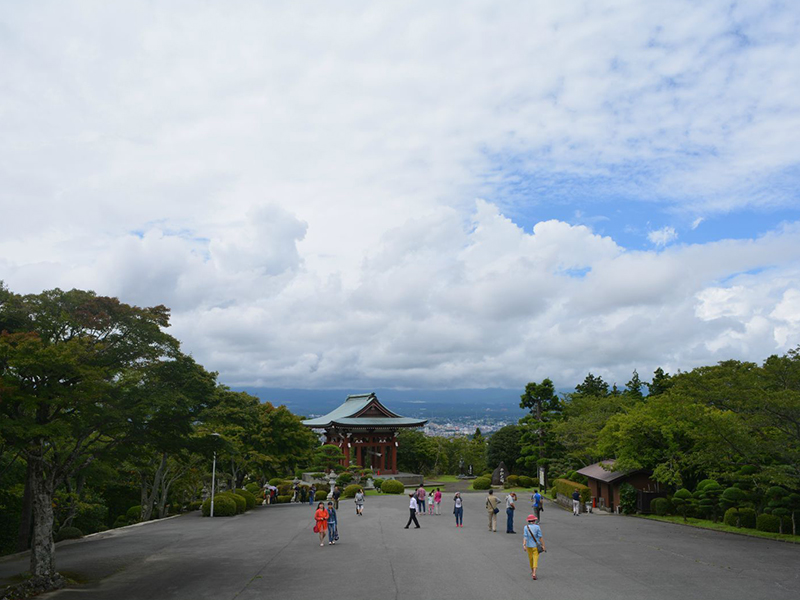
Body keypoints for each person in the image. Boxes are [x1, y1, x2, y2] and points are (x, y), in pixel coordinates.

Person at [522, 514, 545, 580]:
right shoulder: (537, 527)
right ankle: (534, 573)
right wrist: (543, 545)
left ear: (528, 521)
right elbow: (540, 537)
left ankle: (532, 571)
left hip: (529, 545)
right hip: (535, 546)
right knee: (535, 559)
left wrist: (524, 545)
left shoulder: (526, 527)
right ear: (534, 520)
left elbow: (525, 537)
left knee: (530, 559)